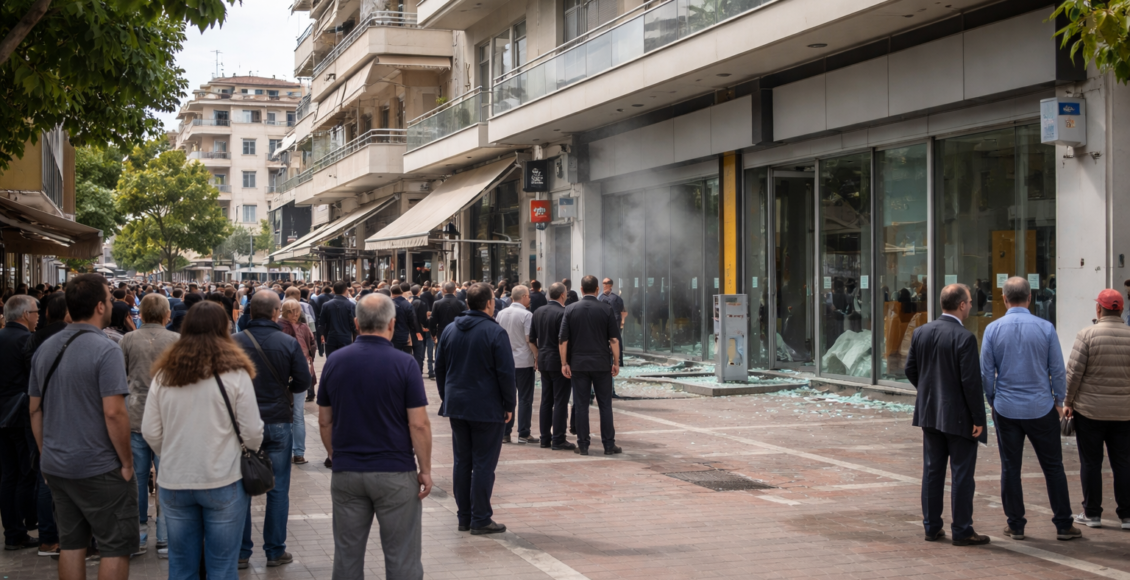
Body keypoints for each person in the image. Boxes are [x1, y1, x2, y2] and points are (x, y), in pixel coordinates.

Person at [142, 301, 264, 580]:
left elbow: (150, 430)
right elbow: (253, 431)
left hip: (174, 480)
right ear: (224, 328)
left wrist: (171, 453)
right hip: (224, 479)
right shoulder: (236, 373)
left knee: (182, 566)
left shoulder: (164, 374)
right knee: (222, 567)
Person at [28, 274, 137, 580]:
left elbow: (34, 409)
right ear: (101, 306)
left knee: (72, 544)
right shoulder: (106, 350)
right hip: (99, 465)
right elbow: (114, 412)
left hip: (57, 464)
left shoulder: (45, 349)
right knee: (115, 546)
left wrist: (45, 454)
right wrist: (127, 462)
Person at [317, 294, 432, 579]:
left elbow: (324, 421)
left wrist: (335, 455)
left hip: (347, 472)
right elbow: (418, 425)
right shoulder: (405, 364)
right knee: (402, 556)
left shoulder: (334, 361)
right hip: (394, 470)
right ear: (392, 324)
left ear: (355, 323)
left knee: (347, 555)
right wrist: (425, 469)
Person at [981, 277, 1079, 541]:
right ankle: (1063, 524)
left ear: (1003, 299)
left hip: (1007, 408)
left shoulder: (992, 329)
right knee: (1053, 467)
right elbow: (1058, 370)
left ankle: (1016, 524)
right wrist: (1059, 401)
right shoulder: (1046, 328)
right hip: (1041, 407)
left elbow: (986, 373)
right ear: (1030, 298)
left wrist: (992, 400)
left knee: (1010, 468)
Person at [904, 283, 989, 546]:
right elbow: (971, 383)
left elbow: (910, 369)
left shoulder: (921, 332)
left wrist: (929, 392)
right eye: (970, 302)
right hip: (960, 417)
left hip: (930, 414)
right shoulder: (964, 338)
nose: (972, 306)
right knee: (962, 474)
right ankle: (962, 529)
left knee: (932, 471)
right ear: (961, 305)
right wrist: (979, 418)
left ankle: (931, 526)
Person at [234, 291, 312, 568]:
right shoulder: (288, 342)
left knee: (240, 486)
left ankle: (241, 553)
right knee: (277, 488)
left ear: (250, 311)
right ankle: (275, 550)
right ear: (276, 312)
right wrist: (285, 392)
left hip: (242, 423)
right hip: (278, 419)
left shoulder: (234, 343)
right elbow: (303, 381)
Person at [434, 283, 514, 535]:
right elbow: (505, 374)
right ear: (490, 303)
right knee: (482, 463)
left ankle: (464, 516)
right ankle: (480, 518)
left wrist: (446, 396)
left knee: (462, 461)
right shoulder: (495, 332)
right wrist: (509, 404)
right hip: (486, 407)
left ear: (467, 303)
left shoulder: (449, 330)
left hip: (457, 405)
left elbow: (439, 368)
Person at [1063, 288, 1130, 529]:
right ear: (1121, 310)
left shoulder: (1086, 335)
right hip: (1124, 413)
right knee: (1123, 462)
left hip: (1090, 411)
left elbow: (1073, 374)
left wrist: (1068, 402)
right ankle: (1127, 515)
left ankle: (1092, 513)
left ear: (1098, 309)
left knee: (1090, 463)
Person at [120, 293, 178, 557]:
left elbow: (120, 378)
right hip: (168, 418)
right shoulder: (176, 340)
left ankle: (140, 533)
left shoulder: (127, 340)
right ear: (167, 314)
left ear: (140, 314)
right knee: (166, 477)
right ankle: (165, 535)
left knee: (138, 478)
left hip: (135, 415)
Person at [21, 292, 68, 556]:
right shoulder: (79, 338)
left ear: (48, 313)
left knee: (44, 475)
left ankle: (47, 538)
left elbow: (32, 392)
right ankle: (74, 537)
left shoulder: (35, 340)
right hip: (67, 414)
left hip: (40, 412)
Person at [558, 276, 620, 456]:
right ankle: (609, 445)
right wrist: (615, 362)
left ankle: (583, 445)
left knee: (581, 405)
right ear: (597, 289)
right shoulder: (606, 309)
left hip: (578, 364)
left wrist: (564, 363)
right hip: (601, 363)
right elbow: (614, 339)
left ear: (582, 289)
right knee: (605, 406)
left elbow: (563, 340)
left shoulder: (570, 309)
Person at [0, 294, 39, 550]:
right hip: (20, 414)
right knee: (26, 472)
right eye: (36, 312)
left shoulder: (1, 336)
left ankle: (12, 530)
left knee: (8, 474)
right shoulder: (26, 340)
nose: (39, 316)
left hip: (3, 414)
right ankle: (21, 527)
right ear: (25, 314)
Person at [530, 283, 575, 450]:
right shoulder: (563, 313)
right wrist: (565, 362)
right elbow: (563, 340)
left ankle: (544, 438)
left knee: (546, 401)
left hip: (543, 359)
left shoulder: (538, 311)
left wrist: (537, 356)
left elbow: (531, 339)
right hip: (558, 360)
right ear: (563, 295)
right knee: (561, 401)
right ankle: (558, 438)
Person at [497, 285, 538, 444]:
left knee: (506, 397)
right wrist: (537, 356)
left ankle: (505, 432)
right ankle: (524, 432)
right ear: (524, 296)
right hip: (523, 361)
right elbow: (530, 339)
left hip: (505, 361)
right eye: (528, 296)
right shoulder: (527, 315)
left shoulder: (500, 313)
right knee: (525, 398)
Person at [280, 299, 316, 465]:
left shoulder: (278, 328)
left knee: (283, 413)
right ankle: (299, 453)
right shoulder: (304, 328)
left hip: (281, 376)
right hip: (300, 374)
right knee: (298, 415)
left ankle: (284, 451)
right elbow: (312, 346)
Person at [317, 282, 357, 359]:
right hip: (346, 338)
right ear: (346, 290)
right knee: (345, 362)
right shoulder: (351, 305)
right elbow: (353, 323)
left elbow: (321, 322)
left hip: (331, 337)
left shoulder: (326, 305)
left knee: (331, 361)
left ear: (333, 291)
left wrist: (322, 334)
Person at [430, 282, 466, 361]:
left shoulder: (437, 303)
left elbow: (433, 319)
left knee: (440, 351)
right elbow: (465, 318)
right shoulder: (460, 303)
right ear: (454, 290)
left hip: (441, 330)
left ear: (444, 290)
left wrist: (433, 332)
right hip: (457, 331)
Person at [390, 283, 419, 356]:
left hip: (391, 335)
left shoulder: (388, 304)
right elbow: (412, 320)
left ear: (391, 292)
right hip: (405, 334)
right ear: (401, 292)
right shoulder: (407, 304)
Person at [409, 285, 430, 373]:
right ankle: (418, 371)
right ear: (419, 292)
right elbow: (422, 317)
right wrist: (425, 326)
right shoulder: (422, 302)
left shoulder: (408, 301)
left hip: (408, 330)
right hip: (418, 331)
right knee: (419, 353)